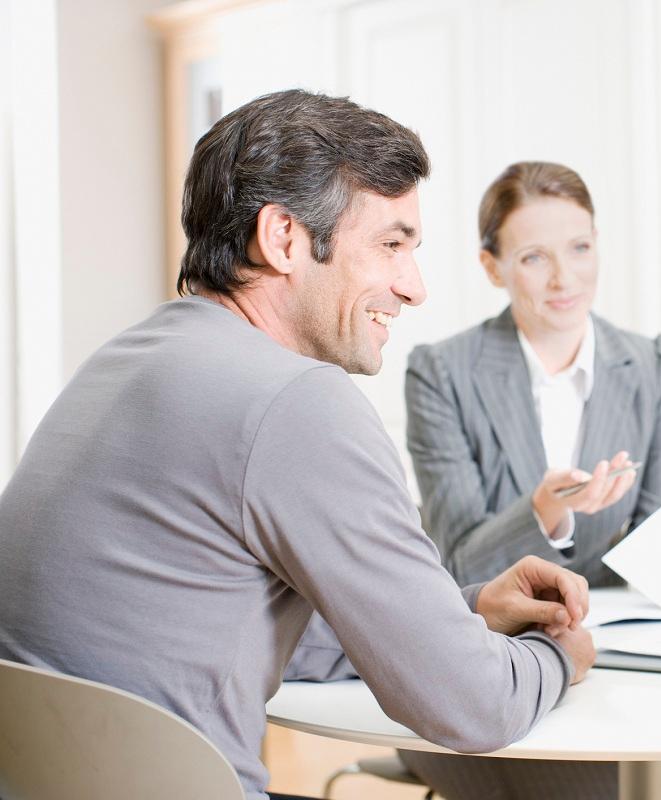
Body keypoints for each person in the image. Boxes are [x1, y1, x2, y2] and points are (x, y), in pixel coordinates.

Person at [0, 89, 596, 800]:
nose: (415, 287)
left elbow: (219, 619)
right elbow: (473, 705)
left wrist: (466, 613)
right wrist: (557, 653)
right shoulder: (296, 402)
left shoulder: (127, 360)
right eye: (390, 244)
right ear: (282, 238)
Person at [405, 160, 661, 588]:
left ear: (596, 243)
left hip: (618, 633)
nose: (564, 279)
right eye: (534, 257)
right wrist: (542, 513)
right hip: (495, 636)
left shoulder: (655, 367)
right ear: (492, 266)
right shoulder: (442, 374)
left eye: (579, 248)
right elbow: (460, 565)